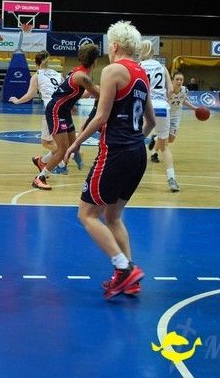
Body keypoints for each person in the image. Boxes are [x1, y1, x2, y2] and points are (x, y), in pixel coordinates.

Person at [64, 20, 154, 298]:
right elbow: (151, 121)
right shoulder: (142, 74)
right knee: (112, 216)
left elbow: (102, 117)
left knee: (86, 214)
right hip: (137, 154)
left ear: (114, 45)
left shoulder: (112, 70)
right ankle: (130, 278)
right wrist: (135, 141)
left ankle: (124, 269)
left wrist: (76, 143)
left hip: (115, 152)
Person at [31, 43, 101, 190]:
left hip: (64, 110)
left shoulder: (77, 71)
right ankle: (40, 178)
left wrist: (71, 103)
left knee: (72, 145)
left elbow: (70, 92)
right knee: (62, 150)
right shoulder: (82, 76)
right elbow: (98, 94)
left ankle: (41, 160)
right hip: (56, 111)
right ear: (95, 61)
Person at [9, 50, 80, 175]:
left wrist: (17, 101)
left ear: (36, 64)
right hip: (64, 109)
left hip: (52, 111)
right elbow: (65, 93)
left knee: (47, 142)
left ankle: (59, 162)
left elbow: (30, 95)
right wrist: (72, 106)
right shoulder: (57, 74)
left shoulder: (37, 75)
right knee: (61, 142)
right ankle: (53, 161)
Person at [139, 40, 178, 191]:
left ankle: (127, 177)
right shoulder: (162, 67)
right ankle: (172, 179)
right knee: (164, 147)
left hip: (145, 107)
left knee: (135, 143)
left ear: (141, 51)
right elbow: (171, 90)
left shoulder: (139, 67)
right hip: (162, 108)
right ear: (153, 51)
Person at [149, 71, 198, 163]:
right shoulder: (167, 90)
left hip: (176, 116)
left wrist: (194, 108)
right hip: (166, 114)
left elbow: (183, 101)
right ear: (172, 81)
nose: (179, 81)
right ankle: (154, 153)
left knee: (171, 139)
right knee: (163, 136)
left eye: (181, 80)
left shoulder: (185, 90)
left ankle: (155, 138)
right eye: (177, 79)